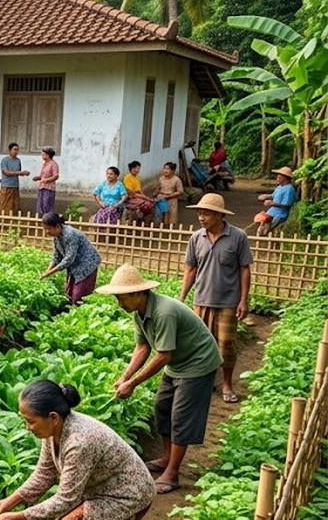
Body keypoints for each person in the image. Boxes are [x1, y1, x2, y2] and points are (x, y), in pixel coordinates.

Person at [101, 264, 222, 495]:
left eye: (122, 298)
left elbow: (164, 355)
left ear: (138, 293)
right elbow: (143, 346)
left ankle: (173, 473)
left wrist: (133, 384)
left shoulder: (163, 312)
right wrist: (125, 377)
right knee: (162, 409)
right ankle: (167, 458)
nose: (120, 304)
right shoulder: (139, 312)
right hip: (178, 362)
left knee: (181, 417)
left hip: (198, 363)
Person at [0, 380, 155, 520]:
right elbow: (44, 473)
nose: (28, 428)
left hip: (127, 495)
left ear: (53, 417)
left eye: (31, 421)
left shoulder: (79, 441)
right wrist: (11, 501)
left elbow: (65, 499)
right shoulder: (53, 429)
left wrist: (21, 516)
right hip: (98, 490)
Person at [182, 193, 252, 404]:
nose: (201, 218)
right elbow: (191, 269)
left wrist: (243, 300)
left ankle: (227, 384)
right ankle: (203, 383)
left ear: (219, 215)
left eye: (206, 214)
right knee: (200, 346)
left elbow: (244, 269)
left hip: (228, 302)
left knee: (226, 346)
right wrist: (182, 296)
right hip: (201, 300)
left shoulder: (238, 236)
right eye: (199, 214)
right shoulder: (196, 238)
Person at [40, 213, 101, 305]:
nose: (46, 232)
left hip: (87, 265)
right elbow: (56, 257)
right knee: (69, 294)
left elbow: (69, 259)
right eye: (45, 229)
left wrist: (49, 273)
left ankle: (84, 315)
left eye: (48, 228)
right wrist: (47, 271)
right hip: (75, 265)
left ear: (57, 226)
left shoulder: (70, 235)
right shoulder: (56, 237)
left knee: (78, 297)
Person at [255, 166, 297, 236]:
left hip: (280, 214)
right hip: (271, 212)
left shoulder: (289, 189)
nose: (277, 179)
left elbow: (287, 205)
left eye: (279, 177)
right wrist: (266, 196)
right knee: (260, 219)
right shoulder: (279, 187)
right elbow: (273, 196)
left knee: (269, 229)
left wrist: (272, 203)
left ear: (285, 178)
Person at [0, 143, 31, 213]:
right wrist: (20, 172)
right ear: (9, 150)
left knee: (15, 204)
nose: (16, 151)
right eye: (14, 149)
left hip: (15, 185)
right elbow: (6, 172)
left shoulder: (18, 160)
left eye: (17, 150)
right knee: (6, 204)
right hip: (6, 185)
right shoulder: (5, 160)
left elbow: (18, 172)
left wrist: (24, 173)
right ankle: (4, 219)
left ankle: (13, 218)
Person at [33, 148, 59, 216]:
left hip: (49, 188)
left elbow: (56, 176)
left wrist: (46, 180)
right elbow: (42, 176)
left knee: (47, 205)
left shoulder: (53, 164)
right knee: (40, 206)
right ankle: (42, 220)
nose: (42, 156)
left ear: (48, 155)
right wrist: (38, 178)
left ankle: (48, 220)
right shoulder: (45, 164)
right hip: (42, 187)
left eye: (43, 154)